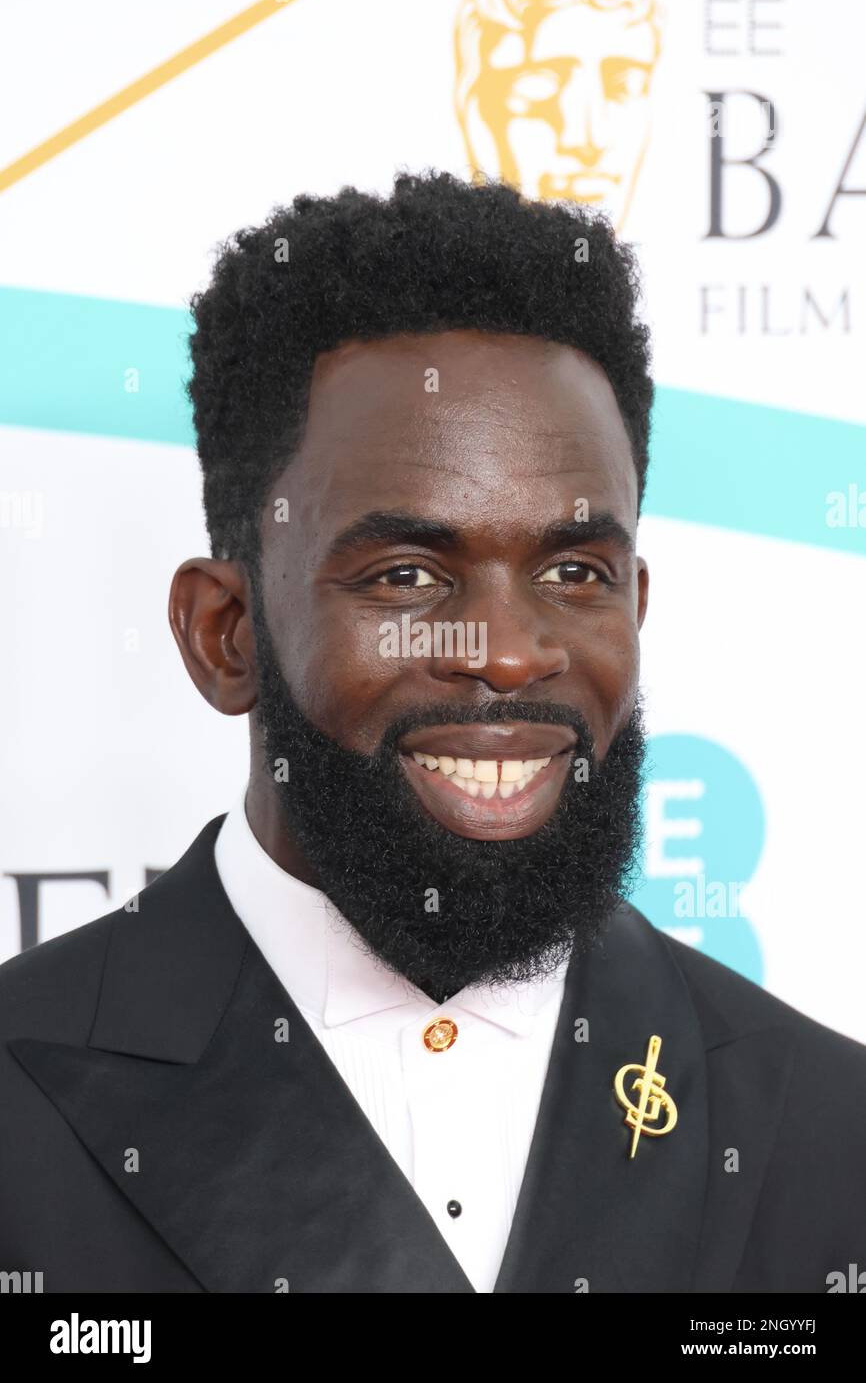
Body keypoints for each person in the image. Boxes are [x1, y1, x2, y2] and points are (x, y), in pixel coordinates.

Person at [1, 170, 864, 1295]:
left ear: (634, 609)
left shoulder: (824, 1127)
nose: (505, 653)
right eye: (407, 574)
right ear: (226, 635)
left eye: (571, 571)